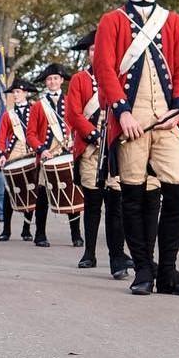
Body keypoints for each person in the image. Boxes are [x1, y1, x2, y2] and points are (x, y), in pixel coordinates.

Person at [93, 0, 179, 296]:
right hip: (131, 120)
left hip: (167, 119)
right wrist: (121, 112)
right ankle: (142, 269)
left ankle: (167, 270)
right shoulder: (112, 20)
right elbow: (105, 68)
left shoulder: (172, 21)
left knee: (177, 191)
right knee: (133, 196)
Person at [65, 30, 133, 279]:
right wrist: (94, 135)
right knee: (93, 204)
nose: (96, 54)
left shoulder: (119, 78)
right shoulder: (79, 80)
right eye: (92, 50)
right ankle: (89, 252)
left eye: (99, 49)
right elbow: (74, 115)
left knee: (115, 204)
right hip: (91, 149)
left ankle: (117, 254)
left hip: (115, 147)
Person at [26, 63, 75, 247]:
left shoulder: (71, 101)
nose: (52, 81)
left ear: (61, 80)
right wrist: (41, 149)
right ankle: (40, 234)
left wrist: (74, 144)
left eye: (55, 78)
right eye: (49, 79)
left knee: (71, 192)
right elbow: (30, 134)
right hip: (47, 156)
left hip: (67, 153)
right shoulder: (39, 106)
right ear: (45, 83)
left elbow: (76, 126)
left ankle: (76, 234)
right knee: (43, 197)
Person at [0, 79, 37, 241]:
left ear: (25, 93)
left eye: (18, 92)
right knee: (9, 191)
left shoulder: (35, 109)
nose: (15, 95)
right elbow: (1, 137)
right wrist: (1, 154)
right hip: (13, 154)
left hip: (31, 151)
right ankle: (6, 229)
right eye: (14, 92)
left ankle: (26, 229)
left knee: (31, 190)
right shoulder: (8, 115)